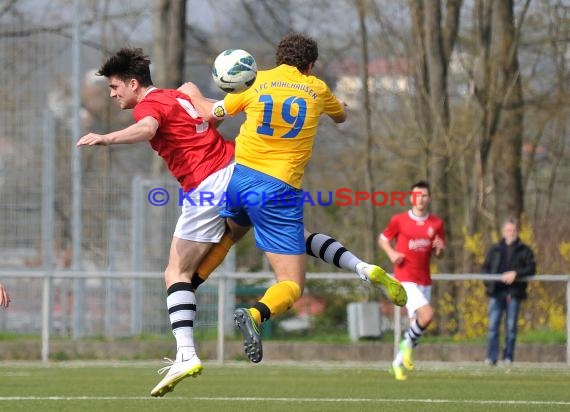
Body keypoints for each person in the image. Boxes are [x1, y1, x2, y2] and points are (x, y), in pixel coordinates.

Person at [77, 47, 405, 396]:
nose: (113, 94)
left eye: (115, 87)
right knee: (281, 237)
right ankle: (360, 267)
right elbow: (211, 119)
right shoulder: (176, 97)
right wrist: (198, 96)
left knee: (176, 273)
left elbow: (146, 129)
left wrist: (106, 138)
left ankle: (186, 353)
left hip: (208, 185)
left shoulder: (149, 105)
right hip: (239, 170)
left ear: (132, 83)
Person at [183, 32, 407, 364]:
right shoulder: (318, 89)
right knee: (291, 284)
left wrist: (193, 94)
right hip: (278, 192)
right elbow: (341, 115)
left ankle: (189, 284)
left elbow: (209, 113)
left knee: (232, 232)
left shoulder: (256, 82)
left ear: (278, 58)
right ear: (311, 65)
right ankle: (256, 315)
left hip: (239, 179)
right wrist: (336, 105)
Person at [378, 180, 445, 380]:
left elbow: (439, 253)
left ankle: (396, 364)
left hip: (424, 279)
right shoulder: (399, 220)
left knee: (418, 324)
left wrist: (440, 249)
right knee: (428, 315)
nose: (420, 199)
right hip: (405, 278)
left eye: (424, 195)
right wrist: (391, 253)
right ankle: (405, 347)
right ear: (411, 197)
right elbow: (383, 238)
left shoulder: (436, 223)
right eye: (417, 195)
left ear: (429, 198)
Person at [482, 217, 536, 369]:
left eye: (513, 230)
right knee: (493, 326)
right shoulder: (495, 249)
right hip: (496, 293)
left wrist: (516, 274)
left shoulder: (525, 250)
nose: (510, 233)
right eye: (507, 230)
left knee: (511, 327)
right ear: (503, 232)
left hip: (514, 293)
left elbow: (531, 268)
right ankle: (491, 358)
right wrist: (490, 284)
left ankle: (508, 357)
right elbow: (484, 269)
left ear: (517, 231)